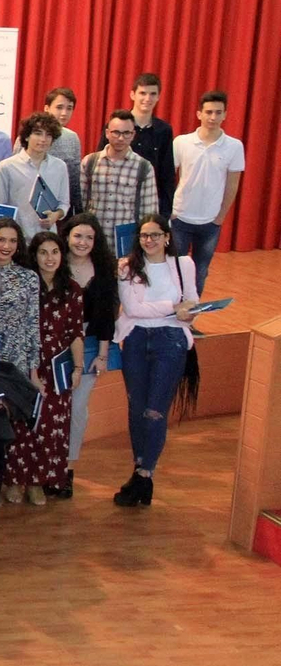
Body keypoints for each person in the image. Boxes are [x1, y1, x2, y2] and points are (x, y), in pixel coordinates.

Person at [112, 215, 199, 507]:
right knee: (137, 408)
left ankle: (144, 473)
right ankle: (141, 474)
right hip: (136, 339)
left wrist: (183, 311)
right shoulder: (126, 266)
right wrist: (173, 308)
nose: (149, 241)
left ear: (167, 237)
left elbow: (193, 305)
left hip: (171, 341)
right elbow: (133, 308)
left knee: (155, 411)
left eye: (155, 235)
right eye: (144, 236)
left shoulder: (183, 264)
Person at [3, 232, 85, 504]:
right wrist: (29, 367)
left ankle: (38, 482)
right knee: (22, 424)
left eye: (55, 252)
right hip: (27, 360)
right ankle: (16, 480)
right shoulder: (25, 284)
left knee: (50, 427)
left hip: (58, 367)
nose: (49, 258)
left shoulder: (72, 289)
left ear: (62, 256)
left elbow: (75, 332)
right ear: (34, 255)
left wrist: (77, 367)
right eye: (43, 252)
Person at [56, 213, 117, 499]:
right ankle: (46, 466)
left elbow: (106, 317)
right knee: (51, 408)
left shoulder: (104, 271)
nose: (83, 242)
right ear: (67, 237)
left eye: (89, 238)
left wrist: (103, 355)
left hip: (90, 344)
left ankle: (67, 468)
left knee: (77, 410)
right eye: (78, 236)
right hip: (54, 344)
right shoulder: (54, 265)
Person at [171, 90, 244, 294]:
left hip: (210, 222)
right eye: (209, 112)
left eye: (218, 112)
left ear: (225, 115)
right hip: (180, 219)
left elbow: (232, 184)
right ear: (199, 114)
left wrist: (220, 217)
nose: (213, 117)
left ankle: (190, 321)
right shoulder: (181, 142)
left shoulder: (234, 146)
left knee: (200, 272)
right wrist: (170, 210)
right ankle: (172, 320)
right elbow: (168, 178)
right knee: (175, 271)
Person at [0, 218, 44, 413]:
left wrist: (34, 371)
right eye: (1, 240)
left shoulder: (29, 277)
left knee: (10, 417)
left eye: (13, 241)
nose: (7, 246)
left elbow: (32, 324)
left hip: (17, 357)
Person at [81, 109, 160, 237]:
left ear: (133, 135)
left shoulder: (144, 167)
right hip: (93, 240)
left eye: (126, 133)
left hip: (126, 241)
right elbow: (81, 205)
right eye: (116, 132)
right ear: (107, 133)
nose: (121, 138)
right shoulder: (90, 162)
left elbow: (149, 213)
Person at [108, 72, 176, 216]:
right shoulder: (117, 123)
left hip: (148, 201)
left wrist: (165, 212)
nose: (147, 98)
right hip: (116, 201)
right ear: (133, 94)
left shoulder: (164, 130)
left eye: (152, 94)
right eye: (142, 93)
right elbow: (103, 160)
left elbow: (167, 174)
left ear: (158, 97)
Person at [0, 112, 70, 238]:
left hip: (48, 238)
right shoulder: (7, 167)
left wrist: (55, 215)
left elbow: (64, 203)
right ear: (26, 137)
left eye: (48, 135)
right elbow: (1, 205)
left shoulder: (60, 166)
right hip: (17, 238)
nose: (43, 139)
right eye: (38, 133)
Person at [42, 87, 85, 212]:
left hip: (62, 207)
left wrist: (78, 211)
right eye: (59, 107)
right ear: (47, 108)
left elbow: (75, 178)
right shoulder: (29, 135)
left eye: (69, 108)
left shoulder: (72, 138)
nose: (64, 113)